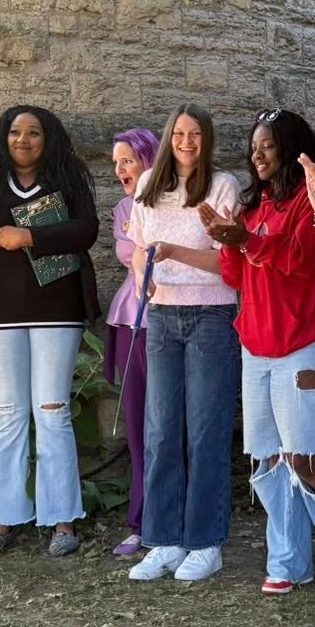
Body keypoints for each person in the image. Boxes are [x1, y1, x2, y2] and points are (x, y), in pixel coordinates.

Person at [201, 109, 315, 595]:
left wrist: (246, 241)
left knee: (306, 456)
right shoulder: (252, 205)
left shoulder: (312, 199)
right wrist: (228, 241)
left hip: (306, 343)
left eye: (268, 146)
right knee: (268, 461)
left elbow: (306, 264)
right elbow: (237, 277)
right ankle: (287, 559)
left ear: (291, 146)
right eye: (253, 147)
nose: (257, 155)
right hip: (256, 347)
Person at [0, 93, 101, 558]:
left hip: (57, 309)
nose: (23, 140)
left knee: (52, 411)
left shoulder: (66, 179)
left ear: (48, 140)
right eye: (13, 132)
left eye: (33, 132)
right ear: (2, 139)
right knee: (8, 414)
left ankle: (62, 519)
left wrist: (28, 236)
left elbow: (87, 229)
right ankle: (4, 519)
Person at [126, 106, 243, 584]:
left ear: (207, 139)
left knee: (205, 431)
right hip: (162, 316)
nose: (187, 142)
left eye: (195, 134)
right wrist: (141, 279)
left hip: (211, 316)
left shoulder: (222, 187)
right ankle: (163, 540)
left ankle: (205, 542)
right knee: (160, 431)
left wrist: (174, 253)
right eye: (179, 133)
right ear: (168, 136)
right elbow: (138, 246)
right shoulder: (149, 182)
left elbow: (229, 263)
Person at [105, 127, 159, 558]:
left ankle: (177, 518)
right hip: (133, 322)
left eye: (128, 160)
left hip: (179, 319)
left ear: (149, 159)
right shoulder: (124, 207)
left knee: (174, 425)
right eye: (116, 163)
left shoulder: (181, 199)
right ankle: (142, 521)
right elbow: (133, 253)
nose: (121, 169)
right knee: (139, 426)